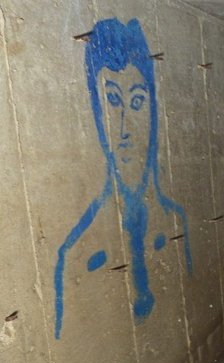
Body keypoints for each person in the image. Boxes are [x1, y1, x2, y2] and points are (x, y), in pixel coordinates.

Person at [56, 17, 192, 339]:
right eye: (112, 101)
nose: (124, 128)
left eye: (136, 103)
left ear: (153, 112)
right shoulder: (76, 253)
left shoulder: (175, 222)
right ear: (95, 111)